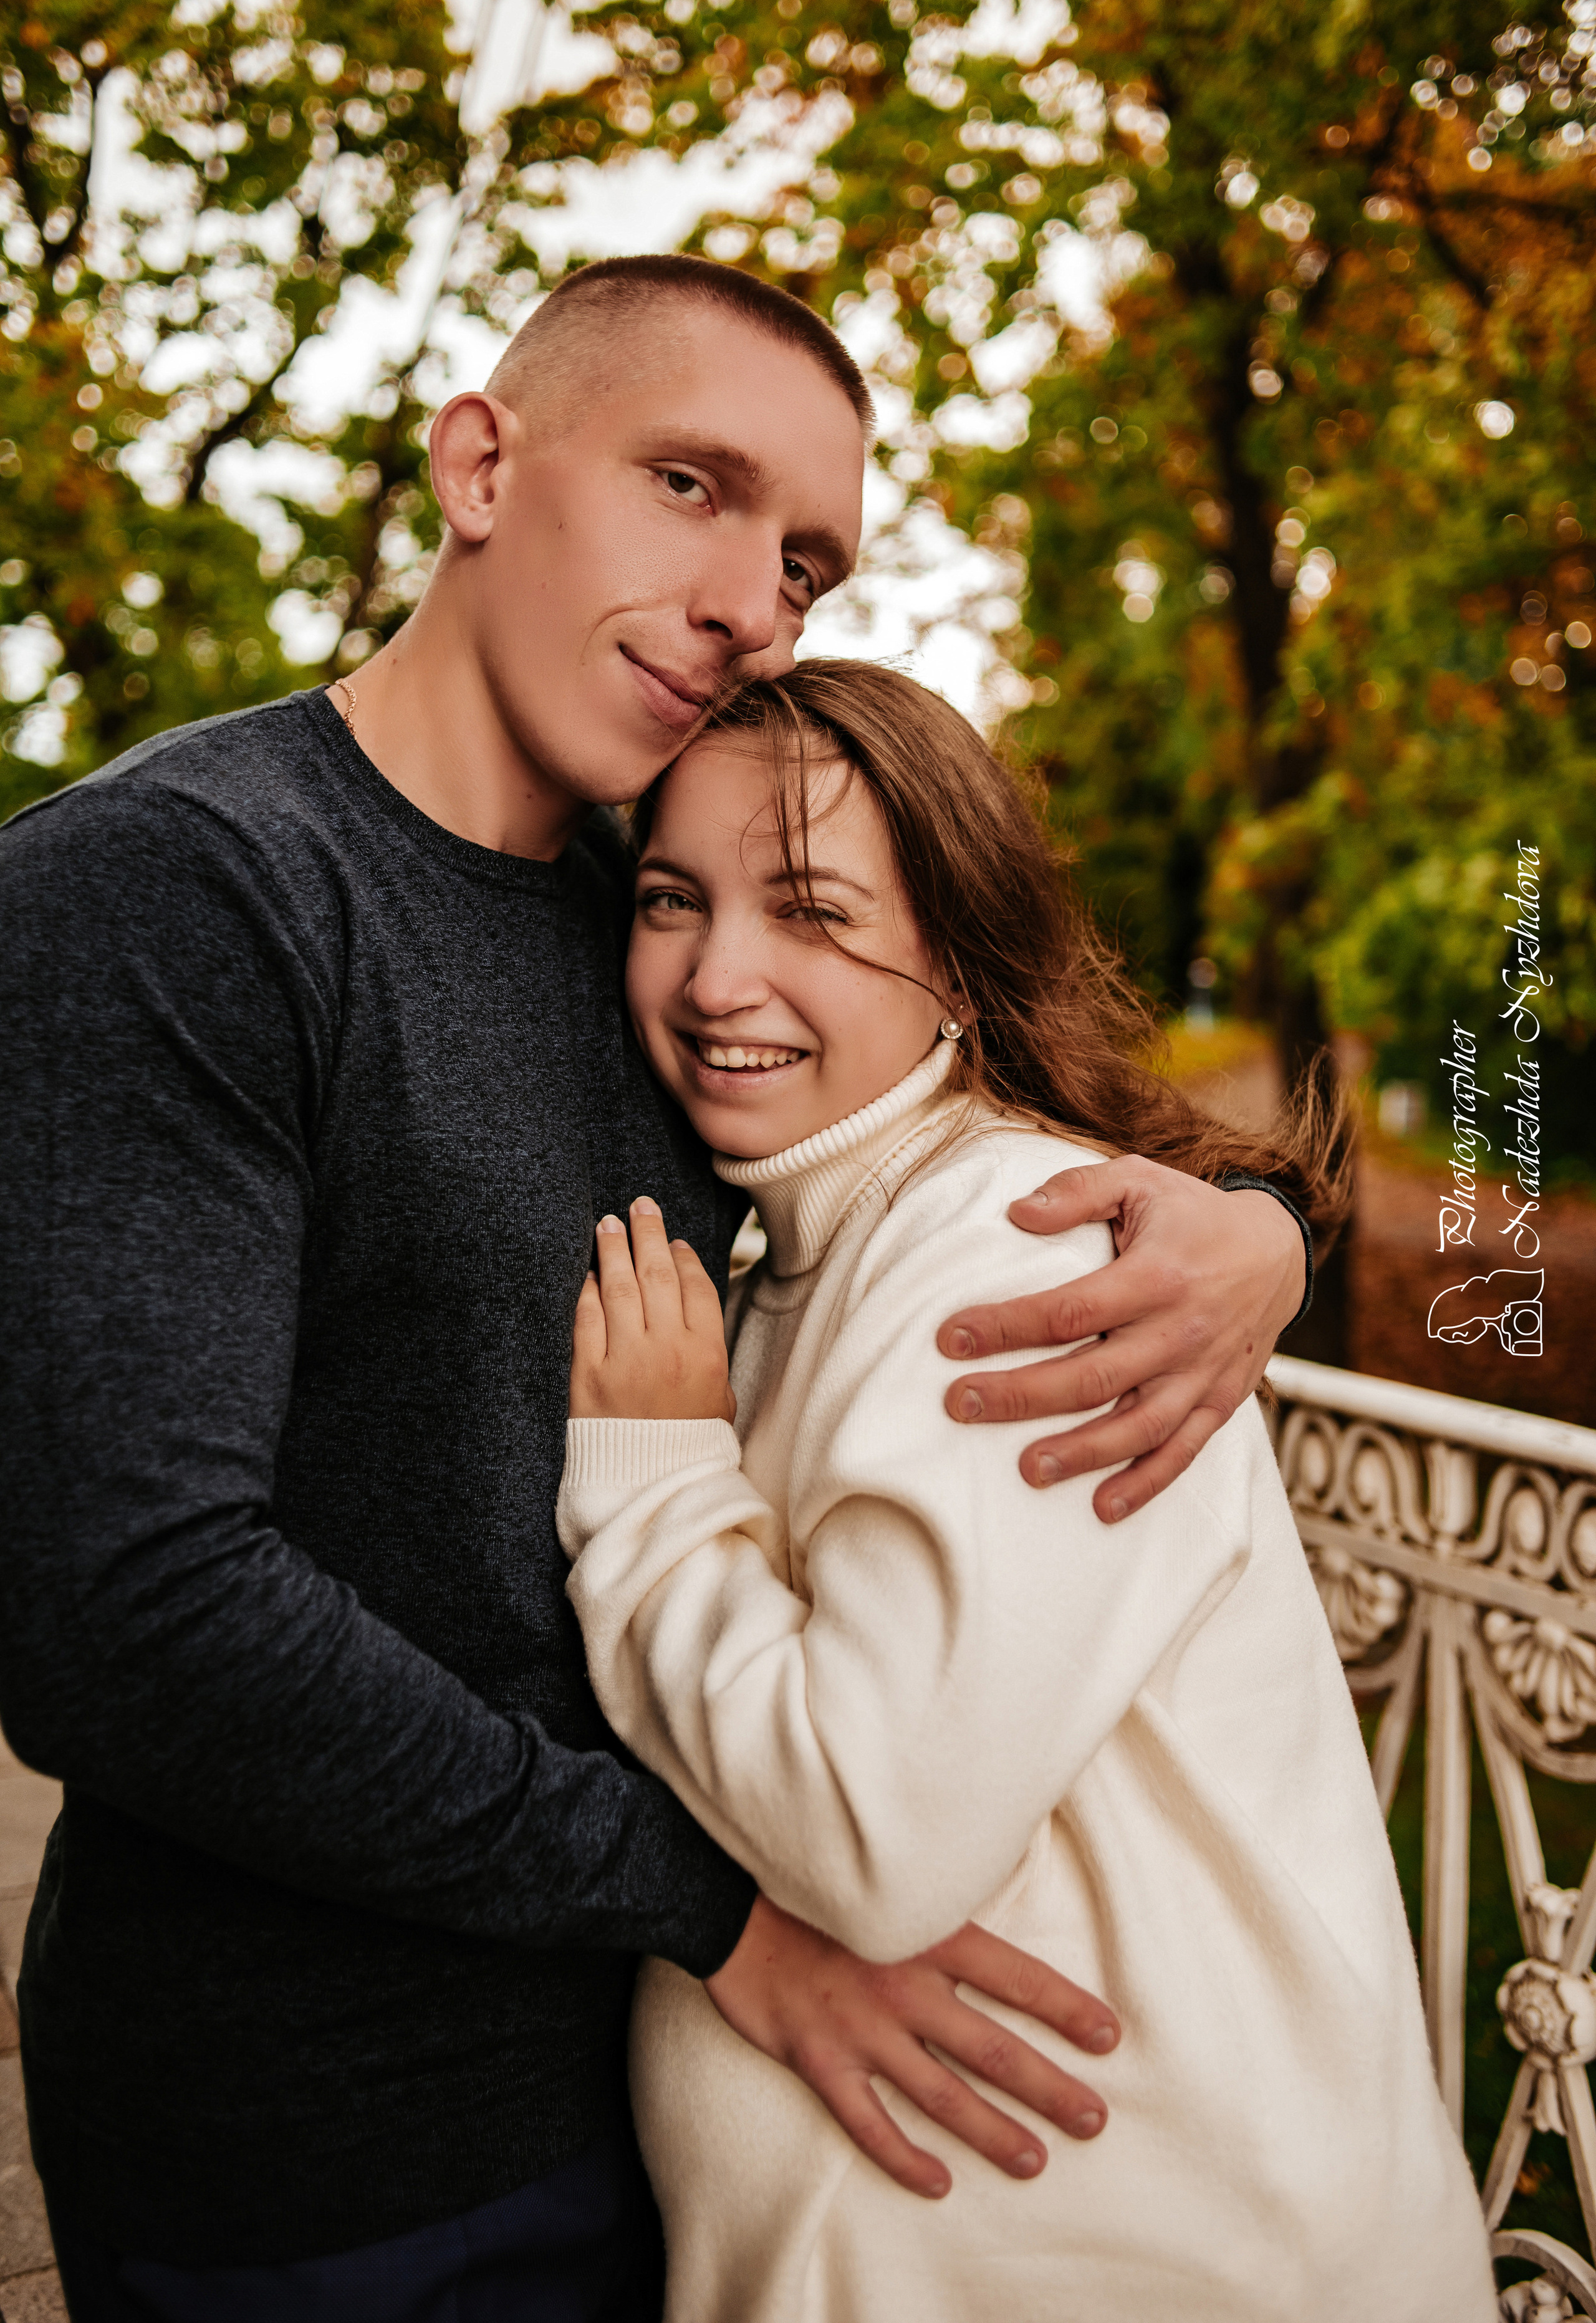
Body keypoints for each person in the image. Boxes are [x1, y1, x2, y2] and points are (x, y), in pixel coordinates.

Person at [0, 256, 1314, 2318]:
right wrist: (719, 1910)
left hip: (678, 2142)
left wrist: (1256, 1237)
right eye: (692, 485)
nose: (751, 602)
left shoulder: (659, 921)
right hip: (333, 2143)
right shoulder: (176, 887)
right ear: (480, 464)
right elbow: (127, 1614)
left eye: (805, 560)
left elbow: (950, 1104)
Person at [556, 658, 1492, 2322]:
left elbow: (868, 1829)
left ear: (955, 961)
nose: (717, 976)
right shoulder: (811, 1236)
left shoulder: (1015, 1252)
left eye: (812, 909)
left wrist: (653, 1488)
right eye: (671, 897)